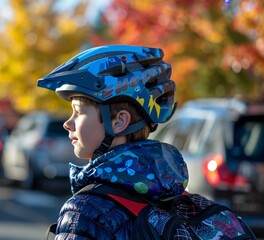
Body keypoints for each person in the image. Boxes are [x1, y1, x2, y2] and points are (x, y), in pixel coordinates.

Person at [37, 45, 188, 239]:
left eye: (79, 112)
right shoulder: (177, 197)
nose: (68, 123)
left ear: (118, 122)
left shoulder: (86, 211)